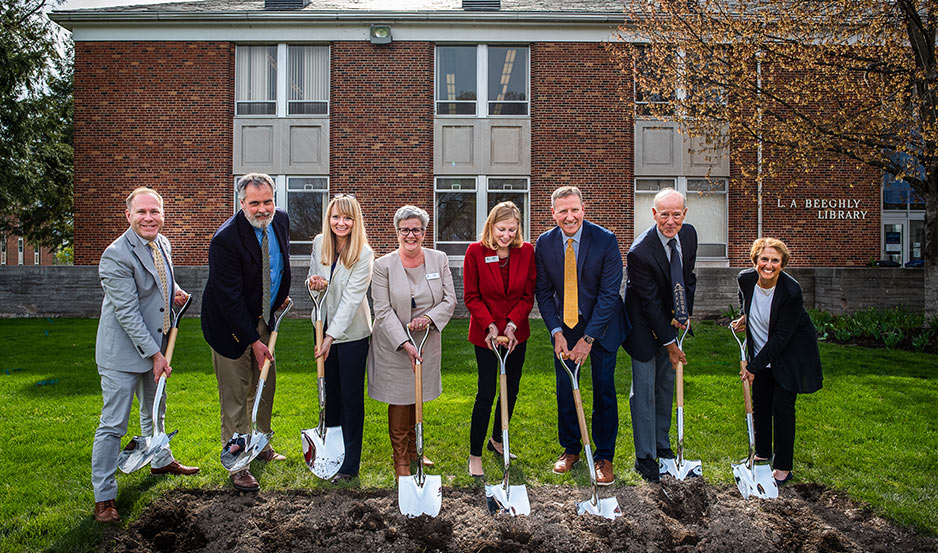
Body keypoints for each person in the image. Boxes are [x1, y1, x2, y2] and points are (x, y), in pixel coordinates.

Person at [92, 187, 199, 523]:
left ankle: (160, 459)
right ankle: (104, 497)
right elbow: (127, 313)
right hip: (123, 353)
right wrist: (156, 355)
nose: (149, 218)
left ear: (163, 214)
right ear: (129, 215)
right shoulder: (116, 255)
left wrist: (175, 291)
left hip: (157, 344)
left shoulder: (161, 243)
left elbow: (160, 281)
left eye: (155, 212)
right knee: (114, 424)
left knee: (155, 412)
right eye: (142, 212)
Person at [201, 173, 291, 492]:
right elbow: (230, 297)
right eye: (255, 203)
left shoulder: (279, 220)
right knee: (236, 394)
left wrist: (277, 300)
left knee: (265, 385)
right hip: (229, 326)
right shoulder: (225, 240)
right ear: (241, 203)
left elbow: (277, 266)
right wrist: (253, 340)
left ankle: (262, 443)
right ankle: (238, 463)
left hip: (262, 317)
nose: (263, 209)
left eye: (268, 201)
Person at [534, 186, 628, 485]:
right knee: (565, 390)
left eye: (574, 209)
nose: (569, 216)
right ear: (553, 213)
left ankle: (604, 456)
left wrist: (588, 339)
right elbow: (544, 293)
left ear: (583, 209)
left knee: (603, 390)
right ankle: (571, 449)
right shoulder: (545, 243)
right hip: (566, 325)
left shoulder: (605, 239)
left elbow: (609, 293)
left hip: (603, 326)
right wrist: (556, 331)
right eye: (563, 211)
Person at [367, 205, 456, 478]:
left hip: (426, 341)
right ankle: (401, 460)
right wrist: (404, 342)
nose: (410, 235)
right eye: (404, 229)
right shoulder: (383, 266)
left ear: (424, 232)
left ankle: (415, 450)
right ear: (397, 232)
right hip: (393, 345)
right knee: (399, 398)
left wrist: (428, 319)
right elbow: (381, 310)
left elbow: (449, 300)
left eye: (416, 229)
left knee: (416, 397)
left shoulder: (438, 259)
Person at [732, 237, 823, 486]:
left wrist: (752, 367)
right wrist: (745, 315)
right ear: (755, 261)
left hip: (790, 353)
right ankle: (761, 454)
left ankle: (783, 467)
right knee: (761, 404)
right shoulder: (745, 278)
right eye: (764, 259)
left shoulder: (791, 292)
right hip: (762, 348)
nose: (769, 265)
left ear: (782, 264)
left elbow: (782, 338)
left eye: (775, 260)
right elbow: (745, 298)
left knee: (782, 409)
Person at [624, 187, 697, 483]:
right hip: (642, 325)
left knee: (666, 385)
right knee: (644, 390)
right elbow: (650, 302)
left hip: (671, 320)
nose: (670, 221)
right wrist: (668, 342)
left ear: (684, 214)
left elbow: (688, 277)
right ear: (654, 214)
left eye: (676, 214)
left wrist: (683, 314)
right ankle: (645, 455)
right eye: (664, 214)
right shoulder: (640, 252)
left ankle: (662, 445)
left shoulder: (689, 235)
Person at [464, 201, 537, 477]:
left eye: (511, 229)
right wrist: (491, 326)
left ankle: (497, 439)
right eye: (501, 229)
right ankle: (475, 453)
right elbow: (471, 296)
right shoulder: (475, 252)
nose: (506, 235)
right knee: (486, 392)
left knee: (512, 389)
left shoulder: (526, 252)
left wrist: (513, 325)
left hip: (516, 334)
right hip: (486, 334)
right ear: (491, 226)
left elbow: (527, 296)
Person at [306, 194, 374, 483]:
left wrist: (331, 337)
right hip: (322, 329)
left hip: (352, 335)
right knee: (328, 395)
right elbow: (313, 283)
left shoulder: (364, 253)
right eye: (336, 217)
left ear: (355, 221)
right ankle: (329, 456)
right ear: (329, 218)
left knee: (350, 399)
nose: (341, 223)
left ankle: (348, 465)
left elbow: (350, 300)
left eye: (347, 218)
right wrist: (314, 283)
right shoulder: (319, 243)